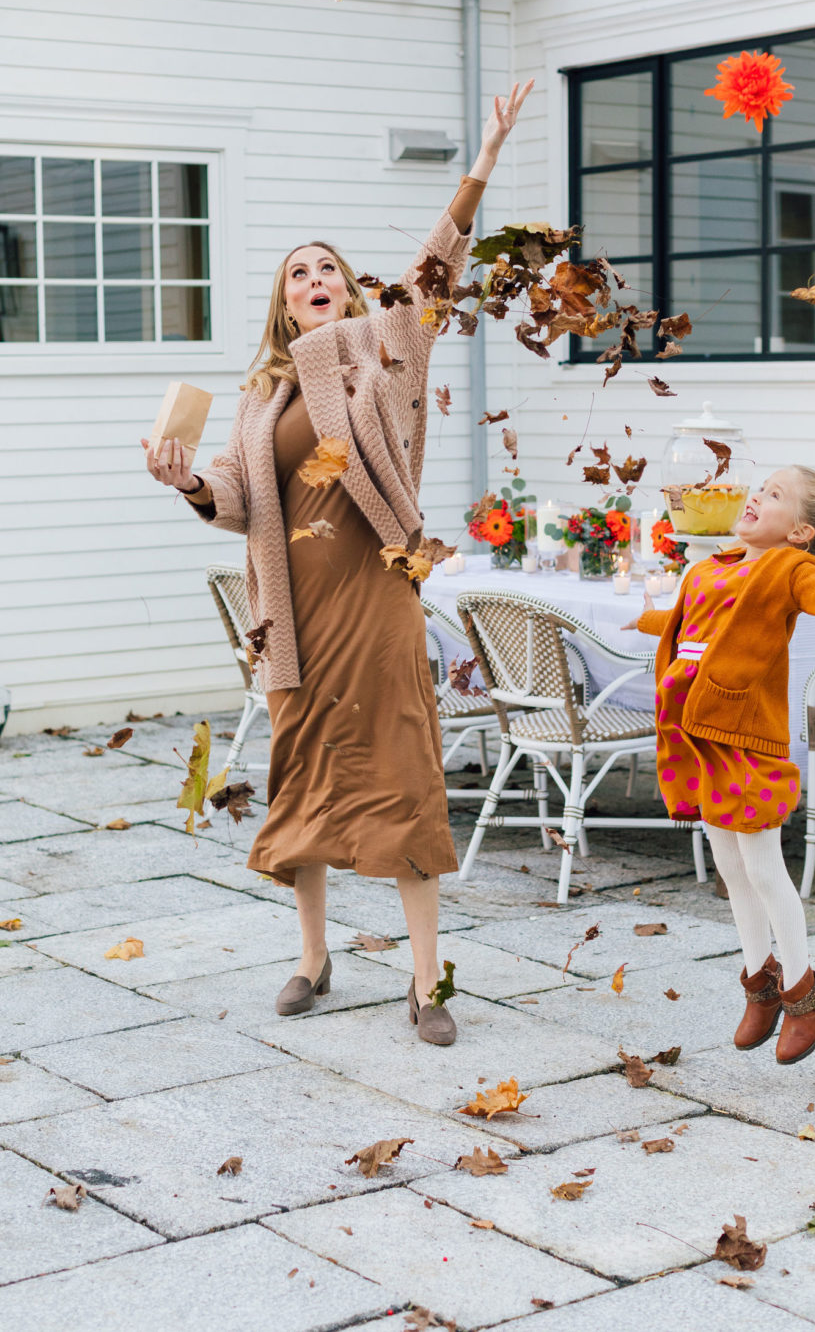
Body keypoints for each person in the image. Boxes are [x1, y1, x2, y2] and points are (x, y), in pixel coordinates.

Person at [143, 81, 533, 1046]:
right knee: (304, 777)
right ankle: (313, 961)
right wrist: (190, 485)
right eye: (296, 274)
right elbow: (237, 492)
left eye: (328, 269)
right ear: (281, 303)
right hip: (296, 610)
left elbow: (438, 270)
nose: (313, 278)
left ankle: (427, 982)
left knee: (402, 774)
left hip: (377, 592)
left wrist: (481, 164)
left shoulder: (387, 347)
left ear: (351, 288)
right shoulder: (258, 396)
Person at [625, 465, 815, 1064]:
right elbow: (691, 625)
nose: (756, 497)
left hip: (745, 738)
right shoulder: (709, 567)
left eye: (775, 496)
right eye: (760, 488)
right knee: (731, 869)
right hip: (696, 734)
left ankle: (805, 990)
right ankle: (759, 981)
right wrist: (648, 618)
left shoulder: (790, 570)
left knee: (764, 868)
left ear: (798, 532)